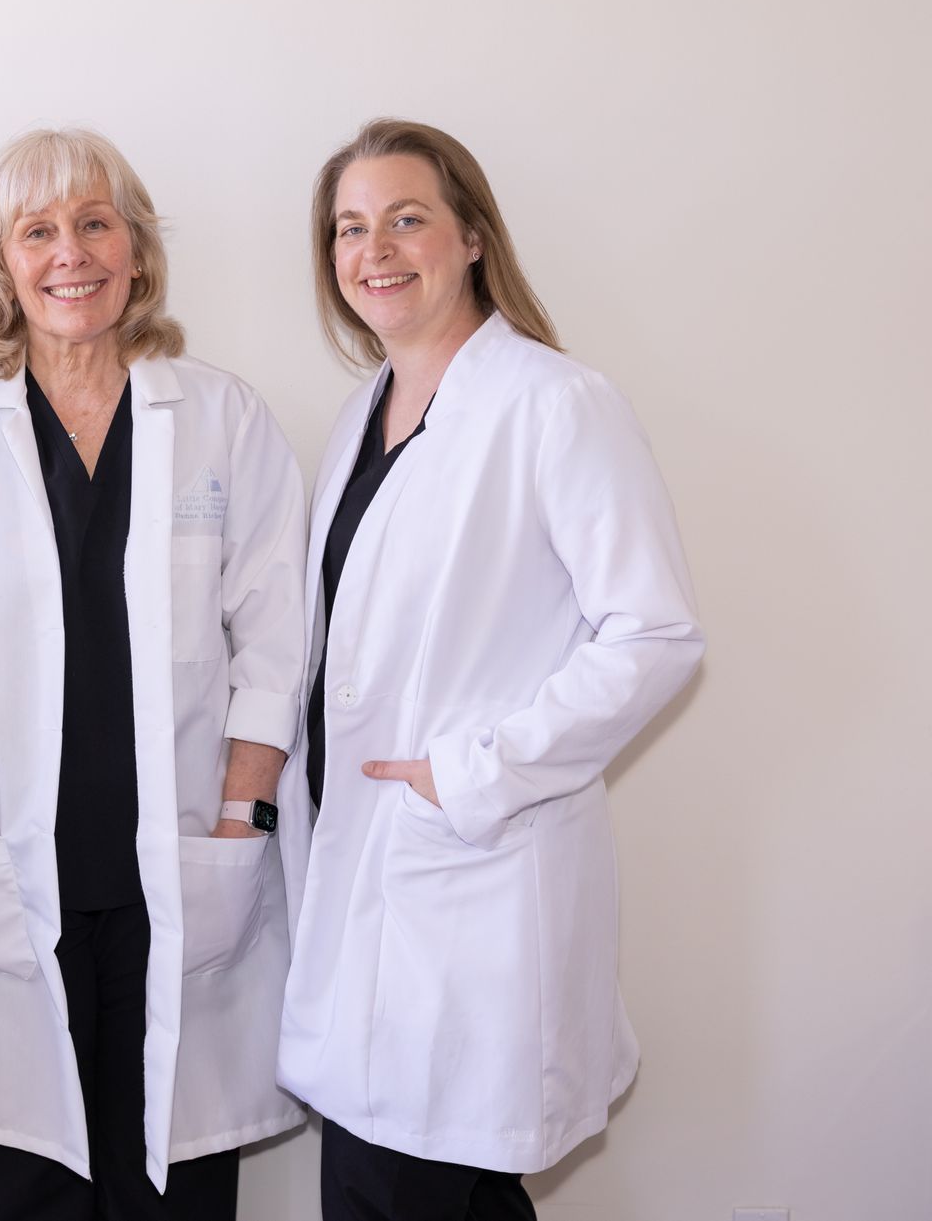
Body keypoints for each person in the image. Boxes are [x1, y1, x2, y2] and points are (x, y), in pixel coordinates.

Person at [0, 128, 308, 1221]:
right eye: (38, 229)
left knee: (176, 1195)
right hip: (6, 892)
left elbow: (276, 641)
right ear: (1, 264)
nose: (71, 252)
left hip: (180, 882)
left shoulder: (220, 419)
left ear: (139, 251)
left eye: (96, 222)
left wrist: (242, 827)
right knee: (24, 1197)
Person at [275, 117, 705, 1220]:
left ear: (471, 236)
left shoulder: (554, 404)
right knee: (406, 1188)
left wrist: (475, 771)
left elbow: (655, 636)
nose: (376, 248)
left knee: (412, 1189)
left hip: (470, 870)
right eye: (351, 228)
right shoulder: (361, 416)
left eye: (407, 218)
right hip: (376, 879)